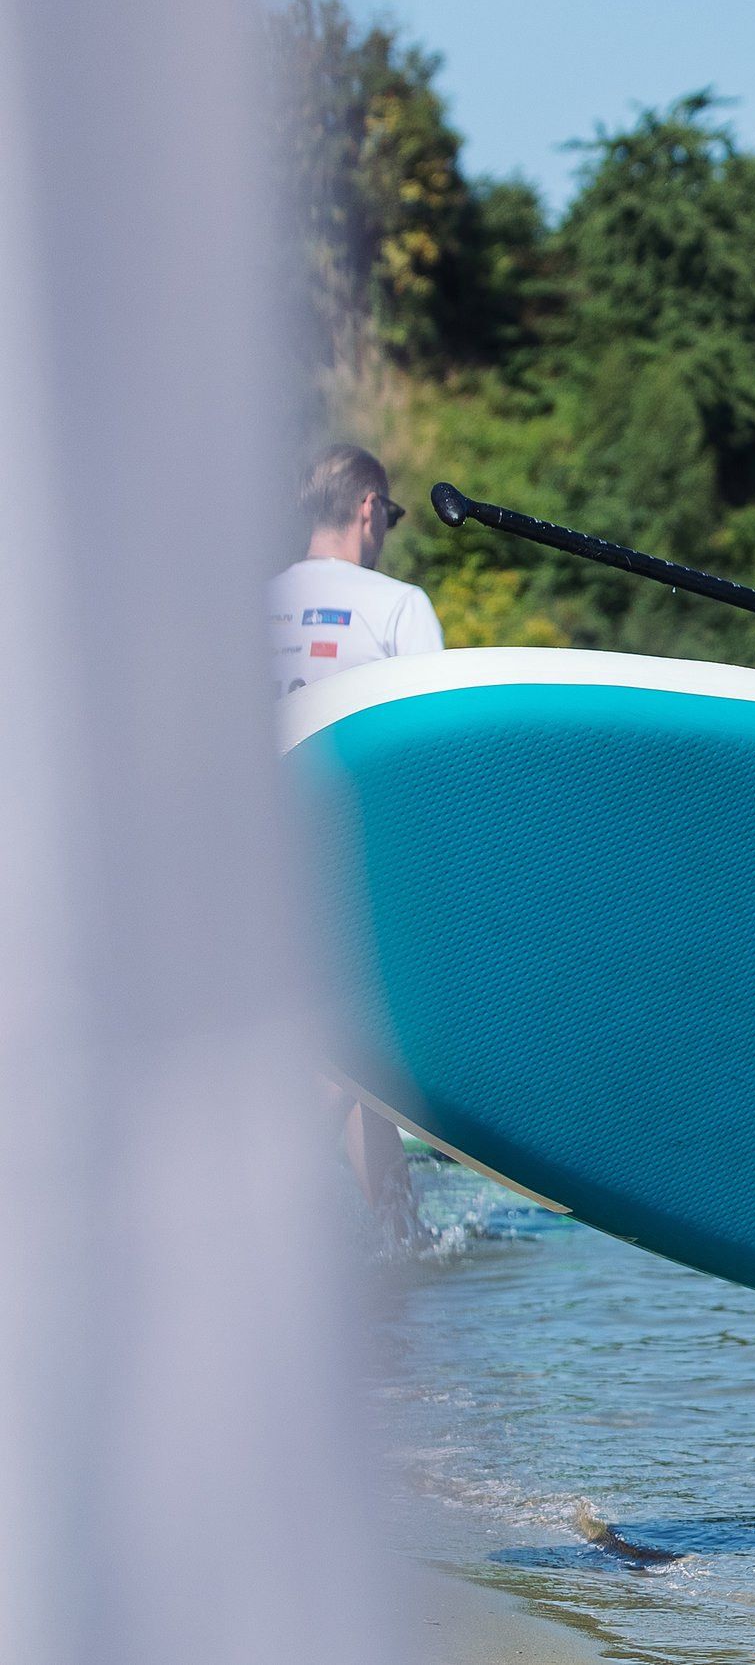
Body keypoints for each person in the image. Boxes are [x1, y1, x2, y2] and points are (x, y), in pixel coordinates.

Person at [273, 445, 438, 1242]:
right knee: (354, 1043)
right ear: (370, 508)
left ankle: (401, 1229)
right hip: (356, 854)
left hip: (253, 851)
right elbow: (432, 758)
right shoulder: (397, 605)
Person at [270, 443, 442, 697]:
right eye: (391, 516)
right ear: (370, 507)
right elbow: (432, 721)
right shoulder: (403, 605)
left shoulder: (252, 603)